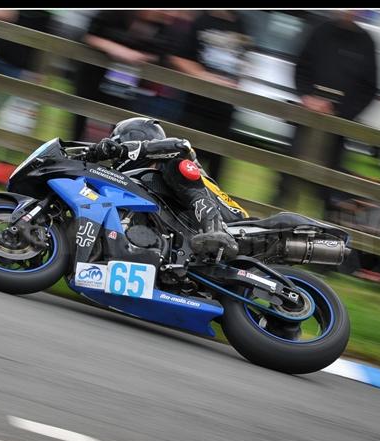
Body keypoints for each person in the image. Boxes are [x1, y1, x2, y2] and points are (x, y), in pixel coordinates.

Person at [82, 117, 244, 261]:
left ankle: (216, 229)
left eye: (118, 148)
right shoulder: (151, 185)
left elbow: (183, 145)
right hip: (194, 235)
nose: (116, 159)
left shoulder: (172, 157)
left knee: (177, 166)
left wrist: (125, 150)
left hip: (235, 221)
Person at [273, 10, 378, 213]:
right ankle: (277, 226)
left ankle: (325, 237)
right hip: (307, 118)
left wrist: (340, 112)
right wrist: (307, 97)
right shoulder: (320, 31)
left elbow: (369, 88)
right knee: (288, 178)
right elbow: (301, 67)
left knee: (329, 190)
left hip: (337, 128)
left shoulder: (367, 42)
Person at [73, 11, 183, 141]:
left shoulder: (164, 28)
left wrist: (138, 57)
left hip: (129, 84)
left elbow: (163, 54)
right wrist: (116, 49)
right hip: (94, 75)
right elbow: (89, 35)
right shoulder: (115, 14)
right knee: (82, 118)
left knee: (119, 125)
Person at [168, 10, 251, 182]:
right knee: (185, 164)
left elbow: (243, 61)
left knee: (215, 171)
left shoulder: (242, 23)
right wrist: (208, 78)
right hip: (197, 106)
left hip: (225, 108)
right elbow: (178, 58)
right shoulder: (201, 21)